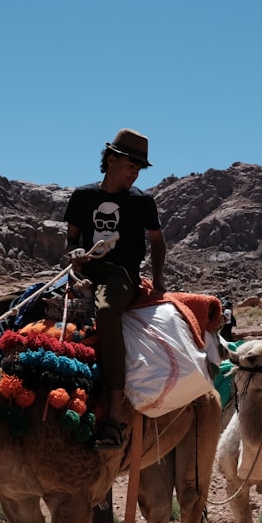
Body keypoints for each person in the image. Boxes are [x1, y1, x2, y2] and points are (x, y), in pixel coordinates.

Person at [63, 128, 166, 450]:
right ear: (110, 160)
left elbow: (158, 243)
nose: (134, 173)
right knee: (14, 306)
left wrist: (159, 282)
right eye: (130, 165)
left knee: (106, 310)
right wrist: (74, 254)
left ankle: (115, 411)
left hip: (120, 275)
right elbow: (71, 238)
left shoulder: (142, 201)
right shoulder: (82, 196)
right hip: (83, 270)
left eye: (139, 168)